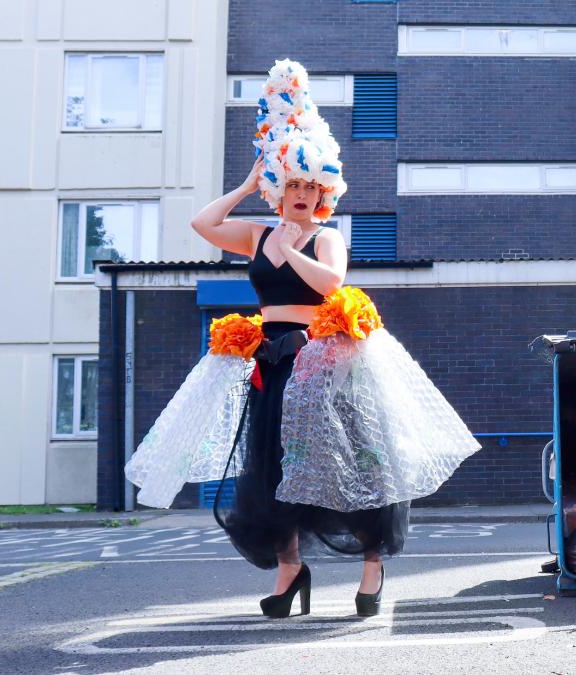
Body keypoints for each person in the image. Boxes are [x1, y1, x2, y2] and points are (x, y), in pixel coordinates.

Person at [125, 59, 480, 618]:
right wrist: (247, 184)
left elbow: (331, 282)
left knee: (351, 463)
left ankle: (372, 563)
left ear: (323, 193)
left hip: (323, 360)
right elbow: (203, 224)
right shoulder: (257, 232)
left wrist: (292, 248)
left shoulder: (326, 237)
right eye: (291, 183)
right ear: (279, 186)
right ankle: (290, 572)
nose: (300, 193)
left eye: (310, 186)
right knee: (269, 469)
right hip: (272, 360)